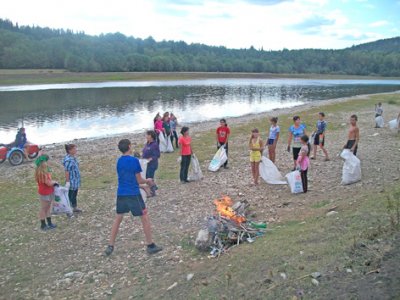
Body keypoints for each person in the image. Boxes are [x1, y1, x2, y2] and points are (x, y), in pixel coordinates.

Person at [104, 139, 162, 256]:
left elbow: (127, 179)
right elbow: (138, 180)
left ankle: (110, 245)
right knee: (144, 217)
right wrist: (147, 181)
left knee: (118, 218)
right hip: (133, 194)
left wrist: (143, 186)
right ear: (129, 147)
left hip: (121, 193)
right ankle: (150, 245)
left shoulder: (119, 161)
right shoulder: (134, 161)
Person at [35, 154, 57, 231]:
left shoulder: (45, 171)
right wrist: (54, 182)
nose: (46, 163)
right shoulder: (41, 173)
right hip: (44, 193)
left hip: (49, 191)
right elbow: (48, 183)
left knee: (47, 208)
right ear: (41, 164)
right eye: (45, 161)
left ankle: (49, 223)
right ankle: (43, 225)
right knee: (43, 208)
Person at [63, 144, 82, 213]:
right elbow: (66, 171)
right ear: (69, 150)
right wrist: (68, 181)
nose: (76, 150)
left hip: (75, 180)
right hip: (72, 181)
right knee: (71, 195)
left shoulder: (73, 157)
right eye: (74, 149)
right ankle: (68, 209)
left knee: (74, 194)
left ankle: (74, 207)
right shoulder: (68, 160)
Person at [142, 130, 160, 196]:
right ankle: (150, 190)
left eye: (147, 135)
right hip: (146, 164)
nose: (146, 136)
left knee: (150, 177)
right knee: (147, 177)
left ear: (151, 136)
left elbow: (157, 155)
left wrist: (150, 159)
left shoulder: (154, 144)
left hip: (152, 164)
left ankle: (153, 191)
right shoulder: (147, 143)